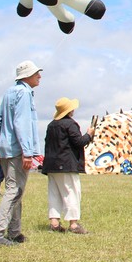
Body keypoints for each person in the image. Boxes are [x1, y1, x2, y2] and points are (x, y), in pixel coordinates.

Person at [0, 60, 43, 246]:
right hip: (17, 150)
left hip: (5, 148)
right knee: (14, 191)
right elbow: (22, 122)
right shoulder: (25, 93)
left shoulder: (10, 92)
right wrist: (27, 152)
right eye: (36, 73)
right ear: (27, 76)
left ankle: (14, 231)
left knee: (16, 191)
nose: (39, 76)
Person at [42, 97, 95, 234]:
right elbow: (79, 142)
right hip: (66, 164)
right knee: (72, 192)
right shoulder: (70, 124)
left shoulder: (51, 125)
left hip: (51, 165)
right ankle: (73, 224)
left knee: (54, 193)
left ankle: (54, 222)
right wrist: (89, 135)